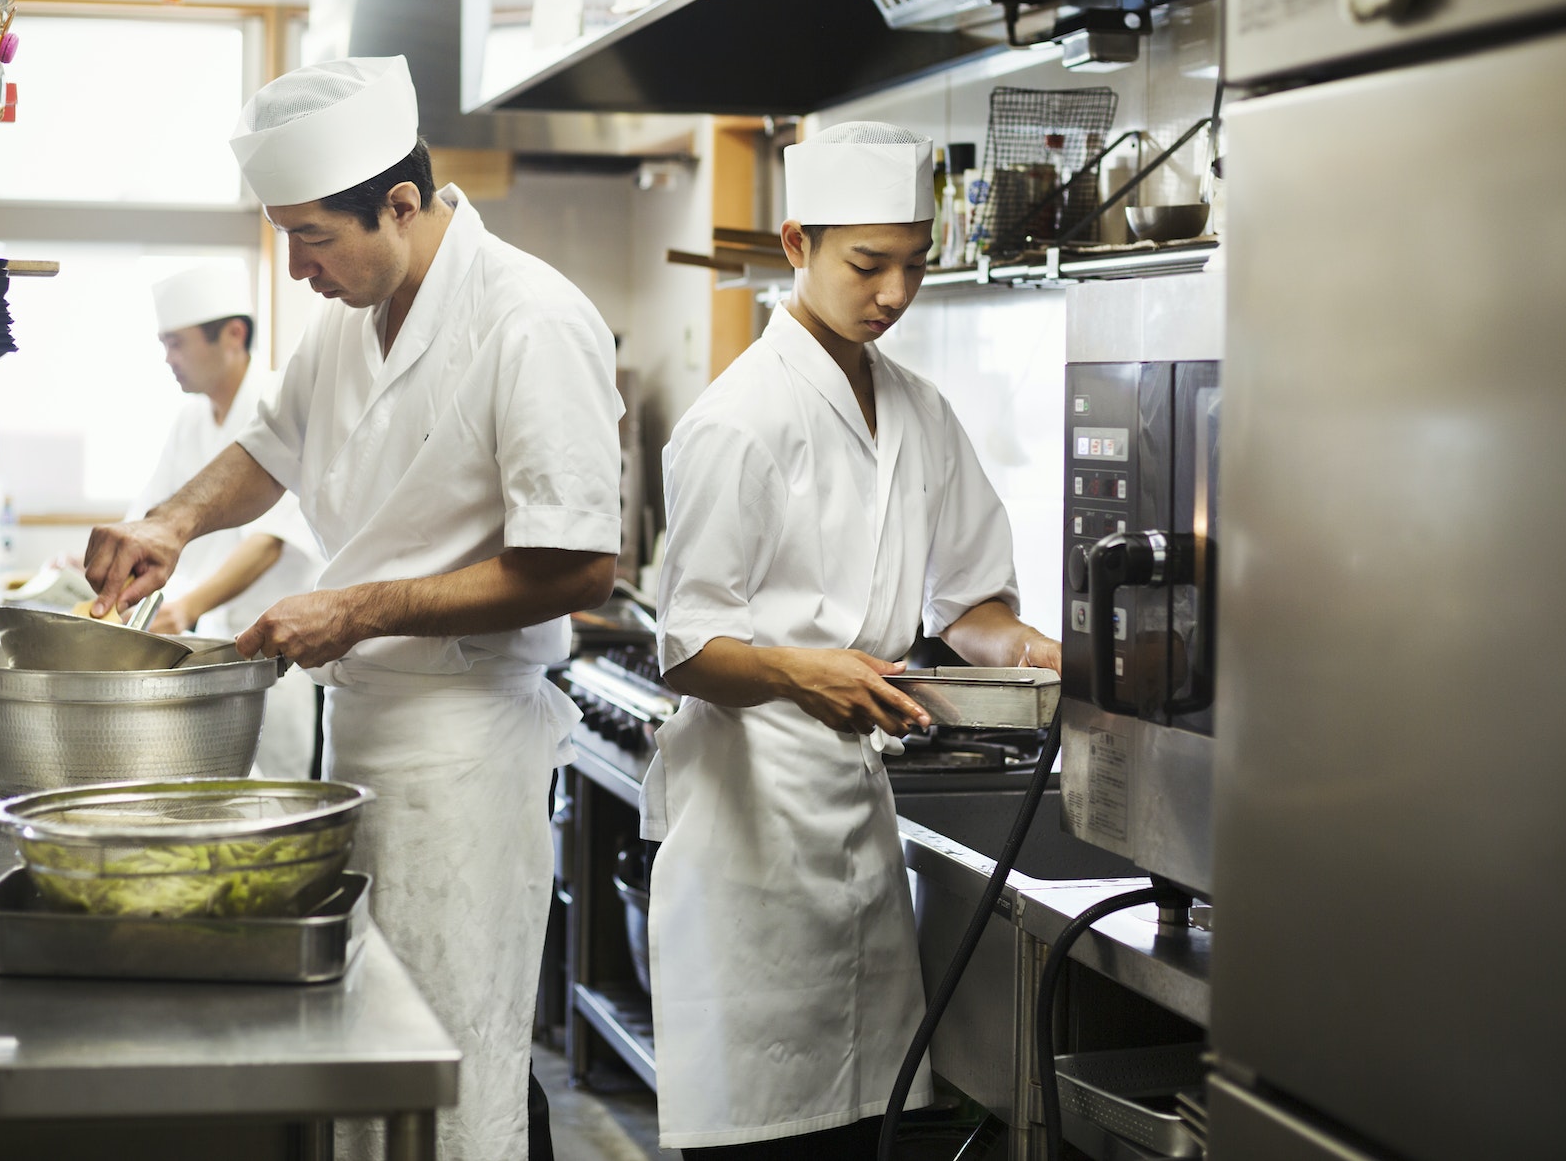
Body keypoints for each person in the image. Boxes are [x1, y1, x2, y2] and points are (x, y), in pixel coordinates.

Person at [82, 56, 623, 1161]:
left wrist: (357, 609)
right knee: (368, 1071)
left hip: (465, 756)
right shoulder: (345, 320)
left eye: (312, 239)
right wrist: (170, 522)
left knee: (450, 1069)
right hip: (363, 744)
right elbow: (265, 452)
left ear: (402, 204)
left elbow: (577, 568)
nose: (296, 267)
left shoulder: (528, 320)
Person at [642, 121, 1062, 1159]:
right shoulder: (735, 419)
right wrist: (800, 670)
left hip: (852, 815)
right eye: (865, 264)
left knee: (864, 1128)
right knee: (760, 1136)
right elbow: (687, 644)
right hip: (747, 818)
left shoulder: (919, 411)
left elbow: (971, 605)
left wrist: (1036, 652)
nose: (892, 293)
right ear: (796, 245)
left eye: (915, 265)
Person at [131, 262, 324, 779]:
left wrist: (187, 606)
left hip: (267, 651)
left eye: (177, 342)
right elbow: (153, 514)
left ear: (233, 335)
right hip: (195, 646)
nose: (168, 358)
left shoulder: (279, 402)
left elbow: (270, 541)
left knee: (269, 823)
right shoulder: (190, 418)